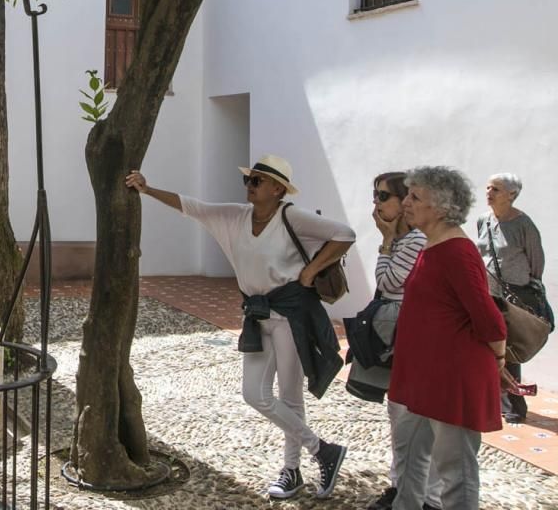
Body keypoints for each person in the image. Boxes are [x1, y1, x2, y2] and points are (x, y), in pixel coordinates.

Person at [126, 154, 354, 500]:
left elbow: (345, 234)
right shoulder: (234, 216)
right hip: (257, 314)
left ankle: (291, 472)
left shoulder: (292, 217)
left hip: (292, 313)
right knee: (254, 393)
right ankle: (323, 450)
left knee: (290, 397)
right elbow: (191, 206)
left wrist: (311, 271)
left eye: (257, 181)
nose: (250, 185)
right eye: (248, 180)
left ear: (278, 189)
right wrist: (147, 189)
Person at [388, 166, 516, 510]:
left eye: (416, 197)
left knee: (454, 471)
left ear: (441, 207)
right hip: (421, 377)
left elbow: (489, 319)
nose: (406, 203)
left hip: (452, 378)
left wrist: (499, 361)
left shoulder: (458, 251)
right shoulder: (430, 246)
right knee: (408, 455)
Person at [354, 172, 441, 510]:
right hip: (398, 340)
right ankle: (401, 486)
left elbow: (388, 282)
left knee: (412, 419)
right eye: (374, 195)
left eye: (383, 196)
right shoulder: (405, 241)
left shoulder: (414, 240)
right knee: (399, 414)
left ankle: (426, 497)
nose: (375, 202)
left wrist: (386, 240)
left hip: (414, 339)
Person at [475, 172, 548, 423]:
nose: (489, 193)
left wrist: (525, 286)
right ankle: (496, 402)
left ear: (511, 195)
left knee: (509, 351)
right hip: (488, 294)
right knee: (490, 348)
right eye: (487, 187)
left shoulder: (523, 224)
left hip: (514, 296)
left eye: (495, 189)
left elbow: (536, 260)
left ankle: (515, 407)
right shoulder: (483, 221)